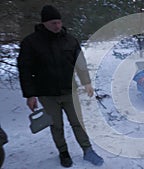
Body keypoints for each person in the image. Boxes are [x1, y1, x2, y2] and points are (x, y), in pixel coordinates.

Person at [17, 5, 103, 168]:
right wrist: (30, 95)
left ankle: (88, 150)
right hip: (46, 94)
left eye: (58, 22)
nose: (57, 26)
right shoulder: (31, 43)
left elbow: (80, 63)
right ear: (44, 23)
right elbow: (25, 70)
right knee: (56, 126)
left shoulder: (70, 40)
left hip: (70, 91)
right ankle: (63, 152)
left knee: (78, 122)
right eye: (53, 23)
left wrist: (86, 82)